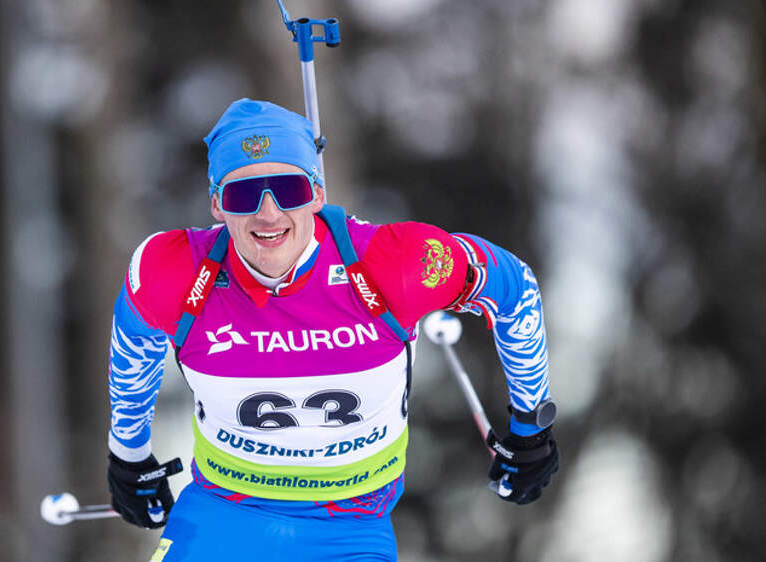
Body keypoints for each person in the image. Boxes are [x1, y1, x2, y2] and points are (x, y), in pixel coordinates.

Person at [105, 98, 559, 561]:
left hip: (351, 527)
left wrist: (530, 429)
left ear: (317, 194)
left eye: (289, 189)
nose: (268, 214)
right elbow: (134, 339)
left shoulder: (397, 264)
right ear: (218, 205)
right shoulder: (173, 271)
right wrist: (128, 455)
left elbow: (514, 287)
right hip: (223, 516)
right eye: (243, 195)